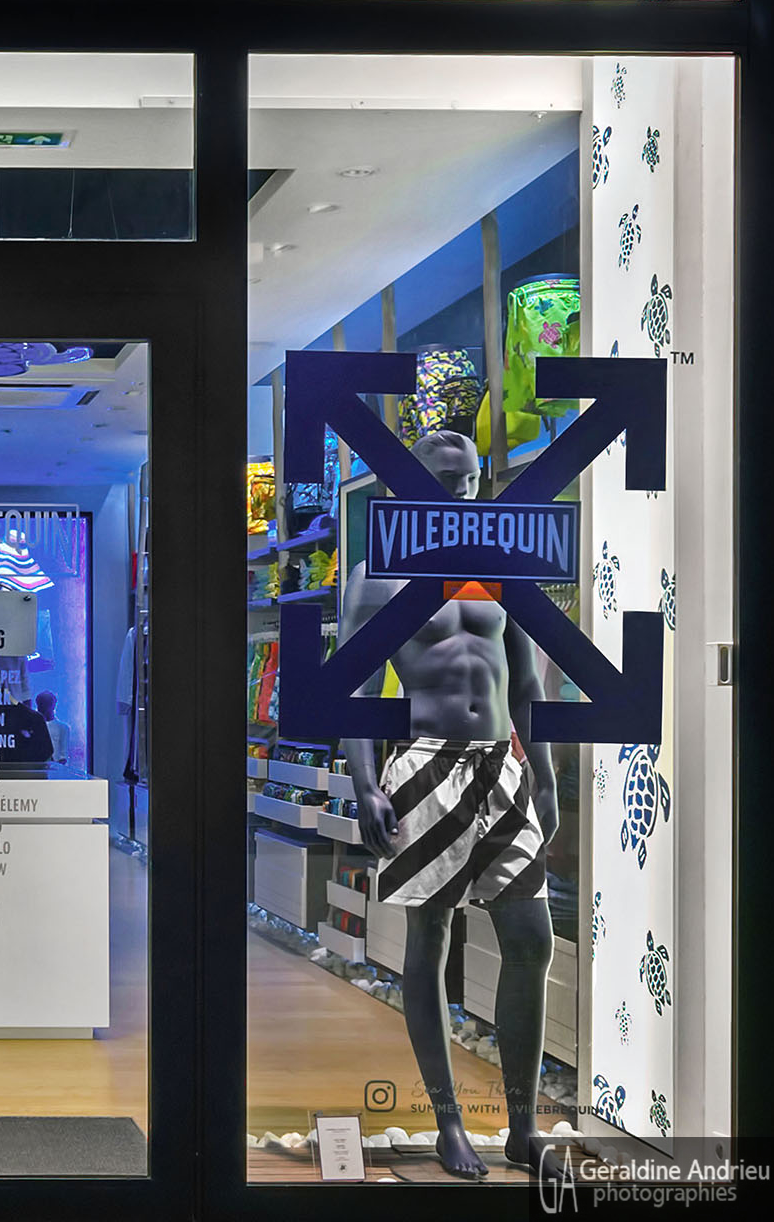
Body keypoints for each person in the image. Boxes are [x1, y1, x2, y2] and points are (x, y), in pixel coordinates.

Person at [339, 429, 558, 1179]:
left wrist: (544, 776)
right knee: (430, 940)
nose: (458, 495)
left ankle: (523, 1129)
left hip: (500, 763)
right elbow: (356, 687)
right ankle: (448, 1122)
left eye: (468, 483)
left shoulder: (498, 568)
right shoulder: (378, 574)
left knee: (530, 938)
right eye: (442, 481)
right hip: (425, 764)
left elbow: (524, 682)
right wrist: (366, 783)